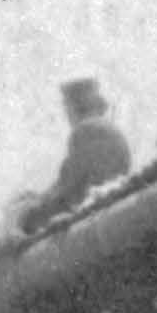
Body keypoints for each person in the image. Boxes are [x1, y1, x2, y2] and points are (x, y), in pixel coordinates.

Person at [42, 77, 132, 218]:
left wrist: (31, 214)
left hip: (101, 211)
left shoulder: (85, 131)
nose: (66, 113)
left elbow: (72, 190)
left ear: (74, 107)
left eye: (67, 106)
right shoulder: (109, 129)